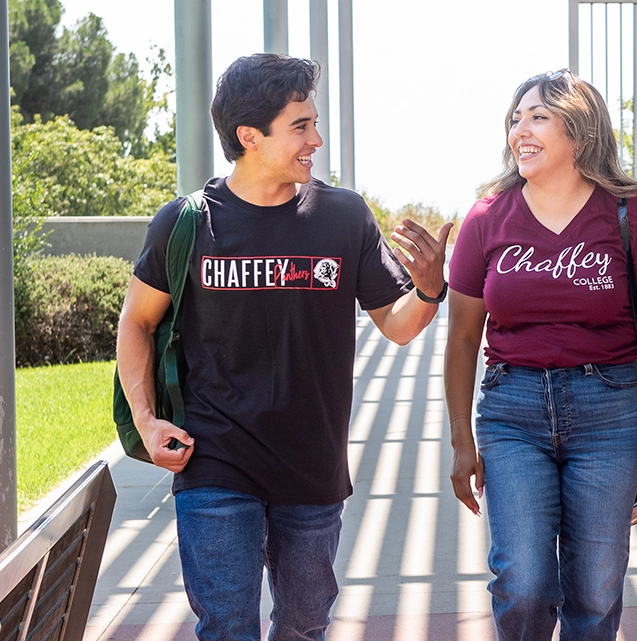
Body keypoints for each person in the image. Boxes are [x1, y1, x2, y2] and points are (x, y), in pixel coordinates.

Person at [115, 53, 451, 641]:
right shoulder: (185, 223)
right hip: (214, 461)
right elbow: (137, 322)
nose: (316, 140)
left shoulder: (343, 215)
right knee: (228, 626)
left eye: (314, 123)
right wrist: (145, 421)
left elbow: (397, 325)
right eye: (301, 126)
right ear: (249, 136)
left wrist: (428, 289)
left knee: (302, 625)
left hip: (312, 466)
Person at [443, 69, 637, 640]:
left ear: (579, 130)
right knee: (522, 583)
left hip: (610, 411)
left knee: (596, 587)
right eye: (514, 118)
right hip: (512, 411)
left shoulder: (631, 214)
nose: (519, 130)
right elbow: (460, 339)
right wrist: (461, 440)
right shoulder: (486, 218)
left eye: (537, 117)